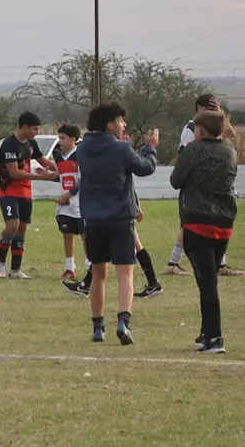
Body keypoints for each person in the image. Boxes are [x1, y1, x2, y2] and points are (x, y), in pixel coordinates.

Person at [74, 102, 158, 345]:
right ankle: (123, 321)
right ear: (110, 125)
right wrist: (150, 148)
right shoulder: (121, 149)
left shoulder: (83, 148)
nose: (124, 125)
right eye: (121, 121)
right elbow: (145, 168)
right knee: (125, 274)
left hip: (93, 220)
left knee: (98, 274)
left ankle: (98, 327)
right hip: (120, 219)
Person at [170, 109, 237, 353]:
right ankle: (206, 331)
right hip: (224, 221)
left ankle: (215, 338)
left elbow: (176, 181)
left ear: (201, 129)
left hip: (197, 220)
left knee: (207, 282)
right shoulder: (230, 152)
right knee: (209, 279)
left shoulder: (193, 150)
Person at [165, 93, 242, 276]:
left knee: (211, 223)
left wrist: (220, 114)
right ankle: (173, 262)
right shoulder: (191, 129)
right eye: (209, 108)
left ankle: (219, 265)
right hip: (197, 185)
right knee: (192, 225)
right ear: (199, 109)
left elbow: (230, 134)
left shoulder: (213, 126)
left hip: (212, 186)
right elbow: (188, 156)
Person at [0, 112, 57, 279]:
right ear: (24, 127)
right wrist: (41, 177)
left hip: (25, 191)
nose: (37, 132)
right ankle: (0, 261)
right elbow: (14, 173)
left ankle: (15, 270)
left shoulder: (31, 143)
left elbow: (44, 161)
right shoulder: (9, 144)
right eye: (35, 129)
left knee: (22, 228)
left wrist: (61, 169)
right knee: (12, 226)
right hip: (8, 190)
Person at [51, 124, 89, 281]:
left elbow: (82, 179)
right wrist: (47, 174)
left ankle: (90, 266)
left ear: (73, 139)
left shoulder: (80, 155)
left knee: (85, 236)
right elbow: (60, 176)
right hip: (65, 206)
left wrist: (69, 194)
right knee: (67, 235)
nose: (60, 141)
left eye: (63, 138)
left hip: (80, 203)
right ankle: (69, 268)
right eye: (59, 137)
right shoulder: (58, 157)